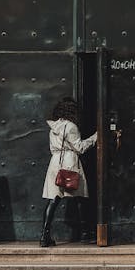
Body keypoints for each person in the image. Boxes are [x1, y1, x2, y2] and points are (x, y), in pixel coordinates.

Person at [40, 97, 97, 247]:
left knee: (53, 199)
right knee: (80, 197)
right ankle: (85, 233)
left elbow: (53, 148)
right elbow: (80, 148)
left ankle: (44, 236)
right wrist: (95, 137)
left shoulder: (54, 127)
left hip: (55, 162)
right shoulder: (71, 126)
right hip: (69, 162)